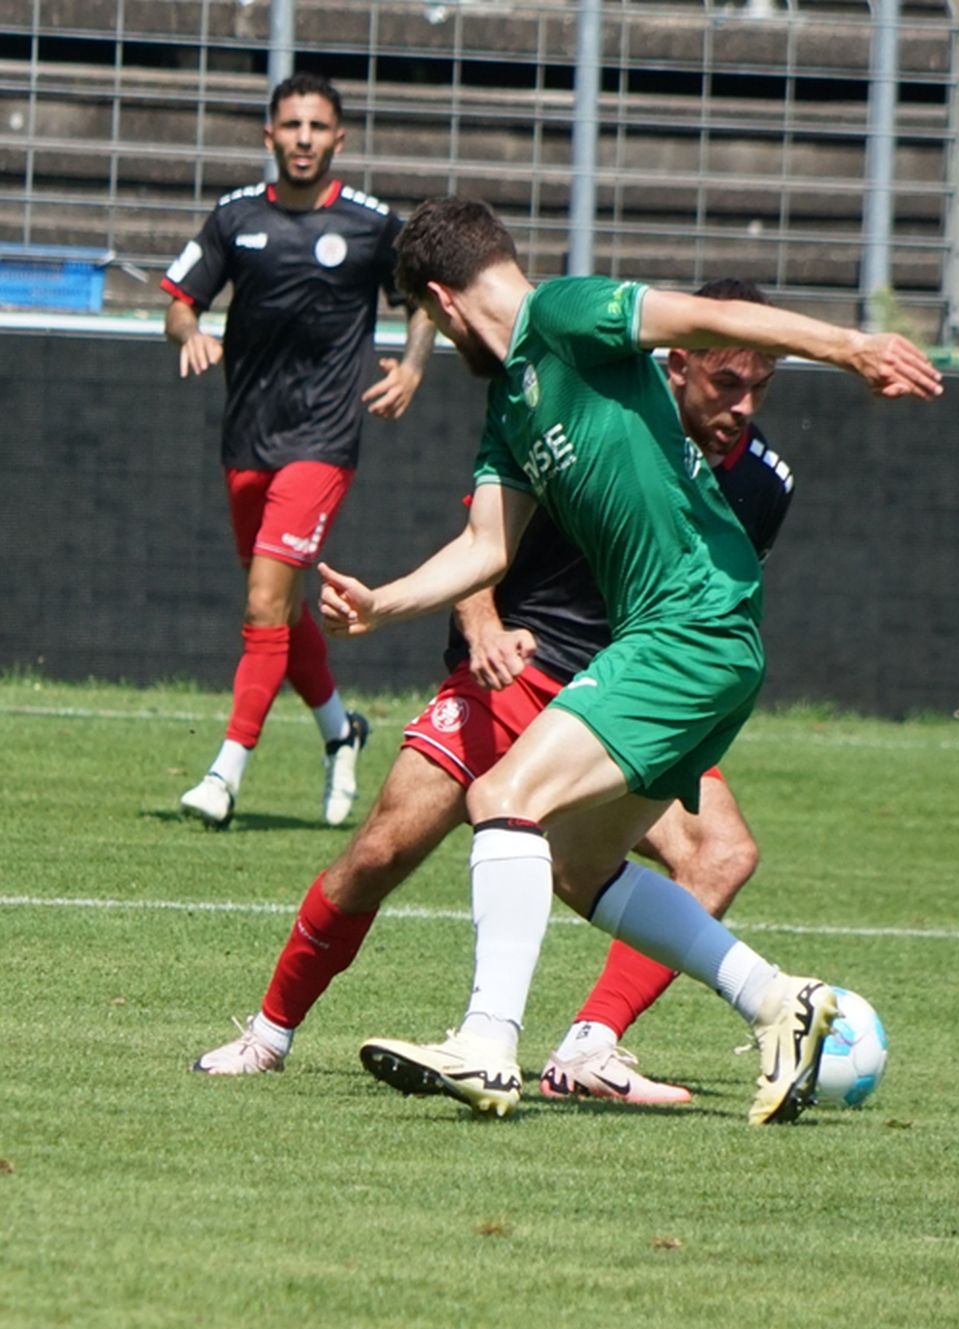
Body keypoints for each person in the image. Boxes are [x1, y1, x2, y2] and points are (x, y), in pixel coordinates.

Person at [320, 196, 941, 1125]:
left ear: (443, 303)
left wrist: (851, 347)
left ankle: (487, 1044)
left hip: (691, 625)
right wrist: (383, 603)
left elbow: (712, 317)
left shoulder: (563, 312)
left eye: (430, 322)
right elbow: (487, 547)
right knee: (577, 864)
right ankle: (780, 1002)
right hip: (690, 636)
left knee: (503, 796)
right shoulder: (511, 406)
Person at [191, 280, 796, 1108]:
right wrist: (481, 627)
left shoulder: (764, 480)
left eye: (761, 386)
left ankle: (588, 1044)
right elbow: (484, 536)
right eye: (727, 382)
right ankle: (267, 1035)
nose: (743, 405)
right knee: (380, 853)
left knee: (718, 851)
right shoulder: (592, 398)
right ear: (678, 362)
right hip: (519, 670)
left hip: (624, 692)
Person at [163, 71, 437, 830]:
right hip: (247, 438)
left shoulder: (370, 224)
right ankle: (341, 731)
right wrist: (190, 333)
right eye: (291, 126)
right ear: (270, 136)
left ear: (338, 139)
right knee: (280, 604)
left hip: (323, 439)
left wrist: (414, 365)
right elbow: (179, 301)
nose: (304, 139)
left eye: (317, 127)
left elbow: (422, 300)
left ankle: (223, 774)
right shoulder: (235, 217)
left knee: (262, 602)